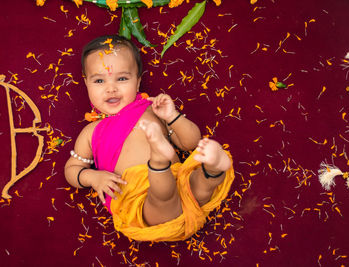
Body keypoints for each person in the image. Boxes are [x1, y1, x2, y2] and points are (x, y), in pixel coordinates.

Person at [64, 35, 234, 242]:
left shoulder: (151, 110)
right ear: (86, 83)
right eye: (99, 80)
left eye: (122, 79)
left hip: (177, 182)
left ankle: (211, 168)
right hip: (139, 203)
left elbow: (189, 143)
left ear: (138, 81)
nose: (111, 88)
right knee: (165, 197)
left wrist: (172, 117)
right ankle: (173, 163)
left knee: (195, 187)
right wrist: (93, 178)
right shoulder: (91, 131)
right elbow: (72, 169)